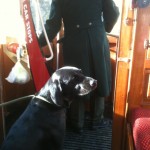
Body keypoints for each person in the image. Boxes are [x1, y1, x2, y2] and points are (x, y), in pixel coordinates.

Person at [38, 0, 119, 132]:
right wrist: (103, 27)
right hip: (97, 38)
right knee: (100, 76)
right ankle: (97, 120)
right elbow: (113, 13)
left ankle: (77, 122)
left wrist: (39, 42)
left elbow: (53, 24)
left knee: (75, 80)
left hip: (74, 42)